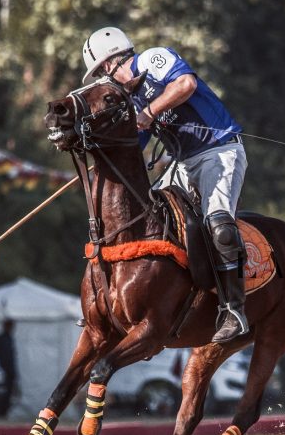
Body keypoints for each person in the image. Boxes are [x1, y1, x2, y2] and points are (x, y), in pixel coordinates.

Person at [81, 27, 248, 343]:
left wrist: (149, 111)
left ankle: (233, 309)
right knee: (151, 219)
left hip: (219, 150)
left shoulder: (152, 59)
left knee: (219, 225)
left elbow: (186, 84)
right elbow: (134, 140)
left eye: (101, 74)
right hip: (183, 163)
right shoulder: (130, 100)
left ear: (106, 66)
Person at [0, 318, 17, 417]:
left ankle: (3, 412)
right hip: (2, 371)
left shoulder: (9, 339)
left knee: (8, 394)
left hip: (9, 371)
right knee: (1, 393)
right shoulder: (0, 338)